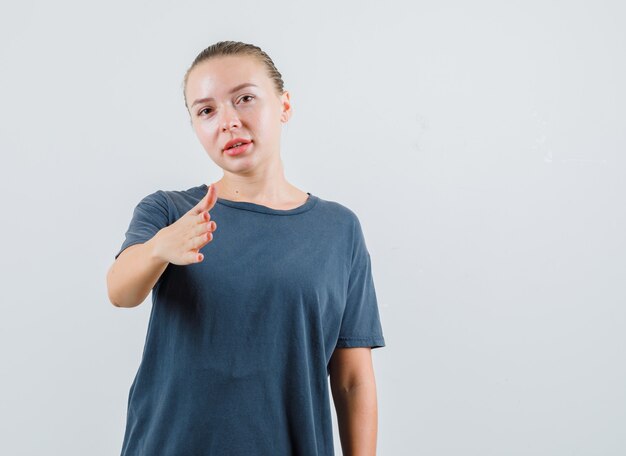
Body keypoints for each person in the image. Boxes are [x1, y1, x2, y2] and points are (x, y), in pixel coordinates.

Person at [106, 40, 386, 455]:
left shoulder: (338, 229)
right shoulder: (170, 210)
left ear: (284, 106)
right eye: (206, 110)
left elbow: (352, 380)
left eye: (245, 99)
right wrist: (159, 249)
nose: (228, 121)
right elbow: (120, 291)